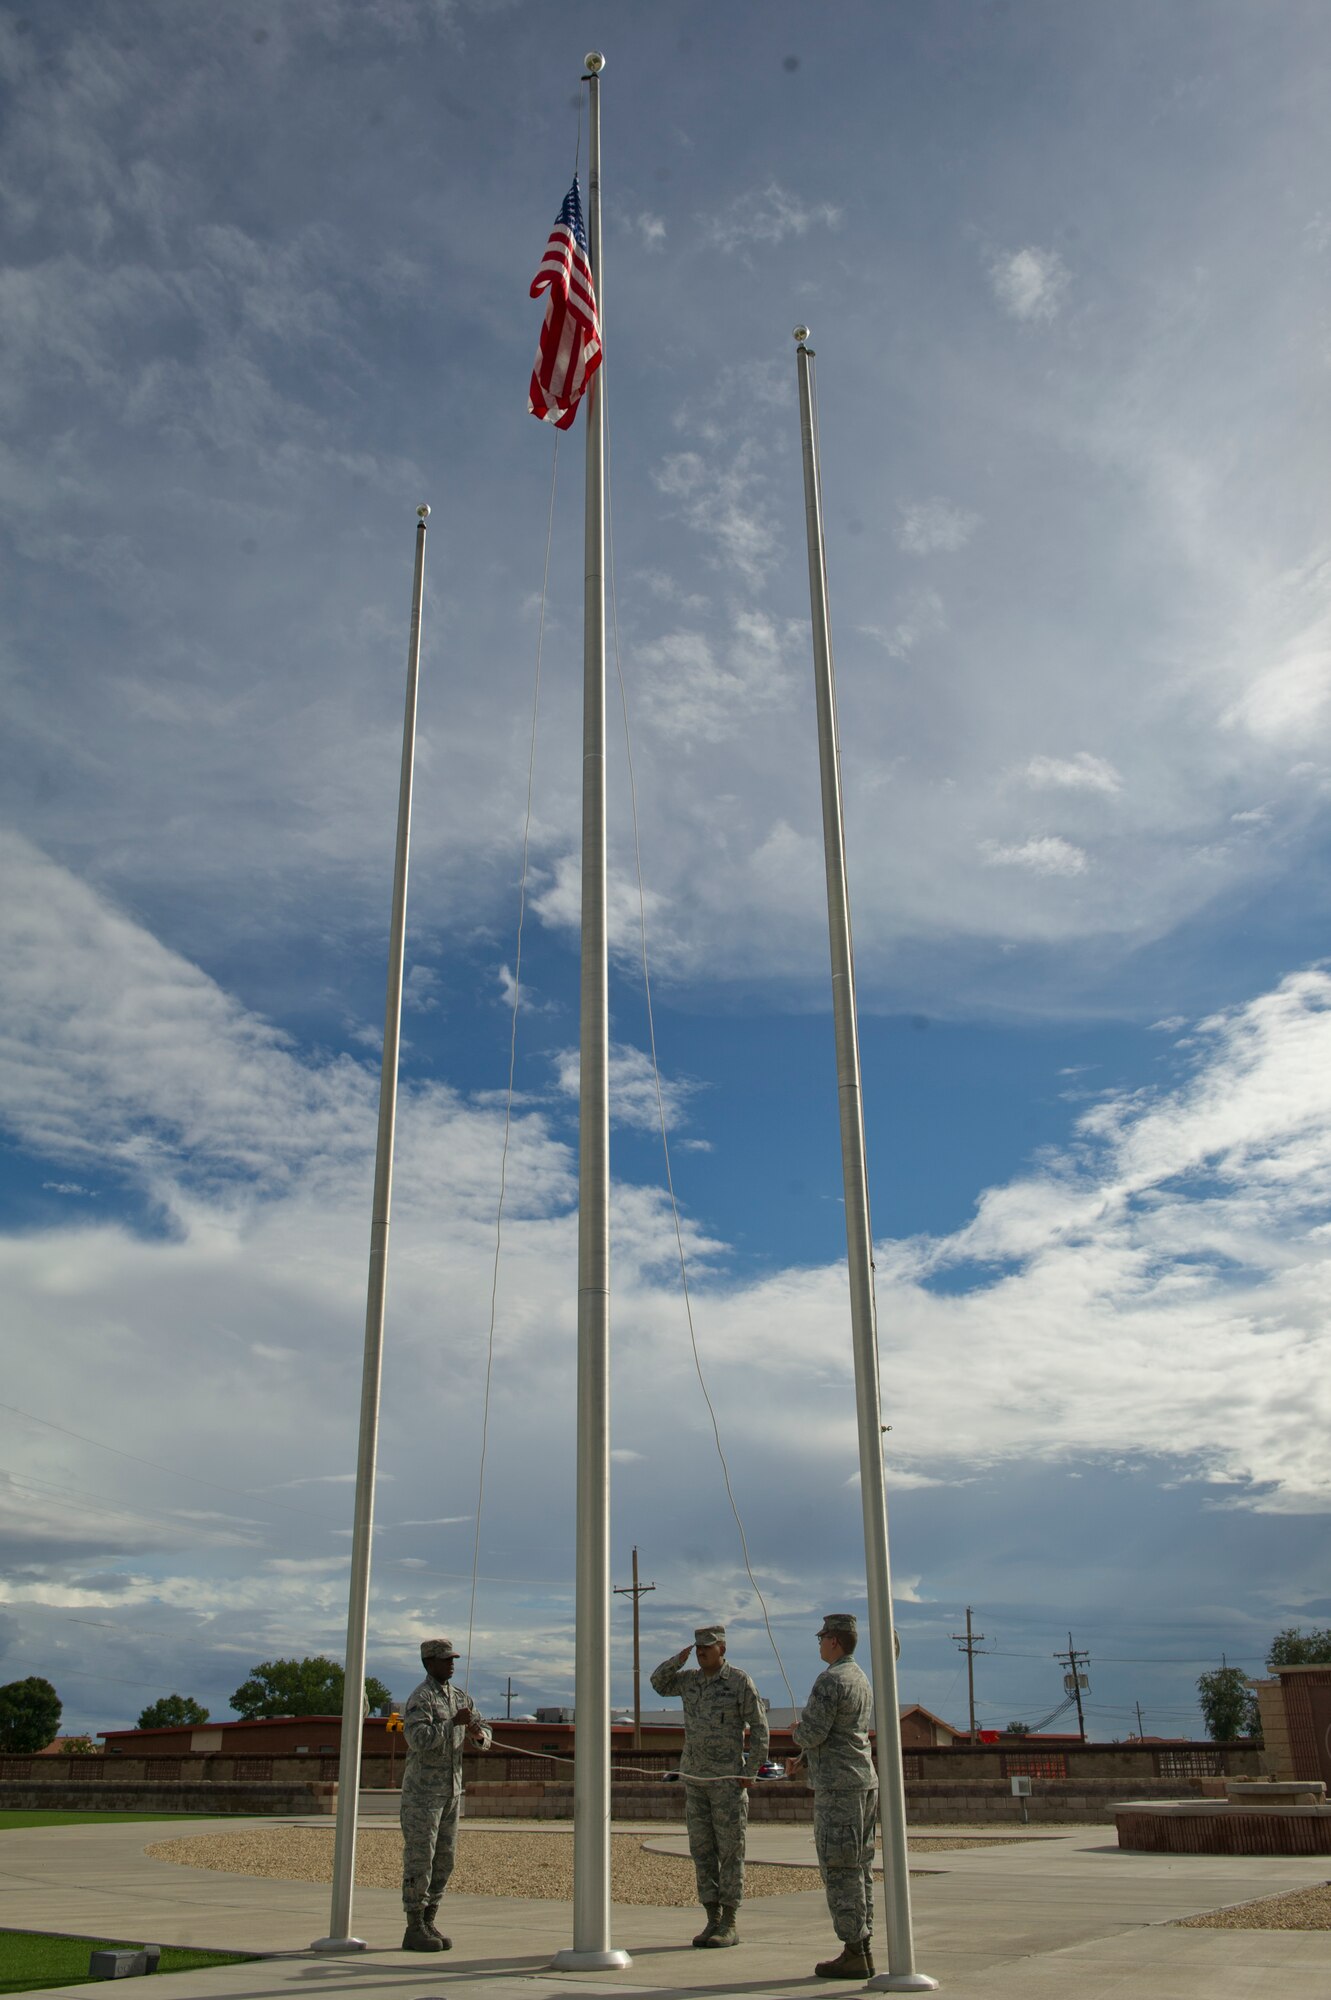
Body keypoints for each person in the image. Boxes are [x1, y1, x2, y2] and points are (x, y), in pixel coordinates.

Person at [649, 1623, 769, 1948]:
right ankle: (711, 1918)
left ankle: (729, 1922)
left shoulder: (738, 1681)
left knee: (730, 1850)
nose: (702, 1652)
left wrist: (751, 1769)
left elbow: (759, 1725)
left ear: (723, 1649)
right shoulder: (689, 1681)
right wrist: (679, 1659)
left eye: (708, 1647)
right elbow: (657, 1683)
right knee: (701, 1851)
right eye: (698, 1647)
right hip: (695, 1780)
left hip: (727, 1781)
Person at [788, 1613, 878, 1979]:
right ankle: (863, 1945)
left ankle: (854, 1950)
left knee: (840, 1868)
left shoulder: (831, 1680)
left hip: (839, 1789)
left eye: (822, 1636)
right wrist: (804, 1757)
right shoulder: (860, 1677)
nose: (820, 1642)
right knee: (861, 1867)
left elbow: (814, 1731)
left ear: (834, 1641)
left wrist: (797, 1734)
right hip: (861, 1783)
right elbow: (841, 1732)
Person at [399, 1637, 492, 1952]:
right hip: (423, 1794)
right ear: (429, 1663)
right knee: (420, 1858)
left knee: (444, 1860)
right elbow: (418, 1739)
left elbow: (483, 1727)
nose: (452, 1663)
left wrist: (478, 1736)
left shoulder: (460, 1697)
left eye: (453, 1658)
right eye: (445, 1659)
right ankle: (414, 1925)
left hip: (452, 1791)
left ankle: (429, 1919)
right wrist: (452, 1724)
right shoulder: (420, 1698)